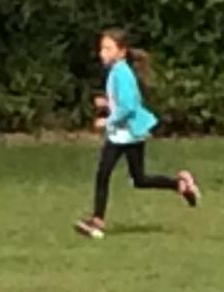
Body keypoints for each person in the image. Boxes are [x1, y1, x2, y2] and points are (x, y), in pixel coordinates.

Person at [74, 29, 198, 239]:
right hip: (130, 134)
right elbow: (126, 101)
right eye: (102, 49)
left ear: (121, 52)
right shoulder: (118, 71)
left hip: (123, 134)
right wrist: (108, 103)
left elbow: (128, 107)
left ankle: (96, 221)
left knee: (103, 174)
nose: (102, 53)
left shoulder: (121, 73)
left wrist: (107, 121)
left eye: (108, 49)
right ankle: (180, 185)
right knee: (139, 179)